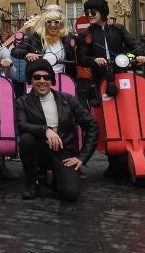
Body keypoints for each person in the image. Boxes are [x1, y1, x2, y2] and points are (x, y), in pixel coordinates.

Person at [76, 0, 145, 179]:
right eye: (87, 12)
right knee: (109, 120)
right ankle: (114, 163)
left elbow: (133, 44)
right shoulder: (85, 35)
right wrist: (94, 60)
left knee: (131, 115)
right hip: (102, 81)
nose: (89, 15)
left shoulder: (118, 29)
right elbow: (82, 58)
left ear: (103, 12)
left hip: (123, 78)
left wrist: (140, 55)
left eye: (93, 12)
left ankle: (141, 157)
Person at [15, 59, 99, 202]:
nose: (42, 81)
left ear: (52, 80)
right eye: (37, 77)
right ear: (31, 80)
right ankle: (33, 182)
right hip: (38, 149)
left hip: (64, 152)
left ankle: (58, 177)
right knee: (26, 140)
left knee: (70, 194)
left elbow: (92, 125)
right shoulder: (22, 101)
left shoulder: (68, 100)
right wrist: (45, 130)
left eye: (46, 77)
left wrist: (82, 157)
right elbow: (22, 125)